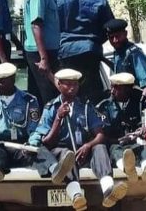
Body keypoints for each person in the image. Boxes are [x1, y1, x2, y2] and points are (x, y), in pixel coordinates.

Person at [29, 69, 128, 210]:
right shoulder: (50, 108)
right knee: (66, 154)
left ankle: (108, 190)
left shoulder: (86, 107)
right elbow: (47, 142)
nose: (72, 88)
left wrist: (88, 145)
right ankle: (76, 196)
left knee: (99, 147)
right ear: (59, 84)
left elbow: (100, 135)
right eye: (68, 84)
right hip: (61, 153)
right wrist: (58, 118)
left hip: (83, 151)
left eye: (75, 84)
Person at [52, 0, 114, 105]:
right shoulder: (100, 0)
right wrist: (94, 42)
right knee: (92, 98)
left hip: (65, 52)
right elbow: (110, 28)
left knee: (66, 94)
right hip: (90, 53)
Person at [24, 0, 61, 109]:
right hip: (41, 53)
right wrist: (44, 58)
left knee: (43, 98)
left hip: (47, 52)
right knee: (49, 99)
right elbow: (36, 25)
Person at [103, 19, 146, 95]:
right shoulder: (118, 52)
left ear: (125, 34)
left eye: (117, 36)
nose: (115, 40)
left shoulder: (134, 53)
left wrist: (141, 101)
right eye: (111, 37)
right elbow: (119, 70)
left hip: (135, 99)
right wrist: (103, 59)